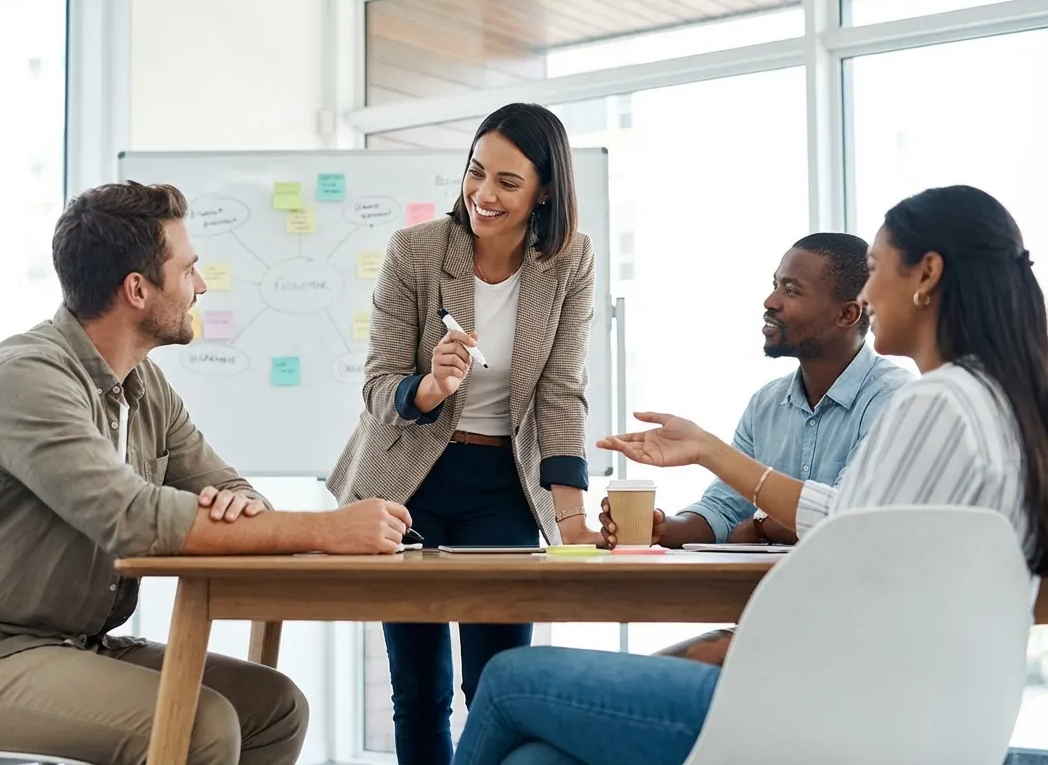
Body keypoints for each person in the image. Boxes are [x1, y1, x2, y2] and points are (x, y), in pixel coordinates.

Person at [450, 185, 1048, 765]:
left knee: (507, 678)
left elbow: (846, 554)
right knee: (535, 758)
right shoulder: (1006, 406)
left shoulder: (936, 403)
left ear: (927, 274)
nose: (868, 293)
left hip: (829, 717)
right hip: (909, 716)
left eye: (875, 269)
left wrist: (726, 644)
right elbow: (873, 562)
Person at [0, 181, 415, 765]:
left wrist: (238, 512)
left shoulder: (144, 385)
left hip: (72, 645)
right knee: (200, 727)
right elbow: (132, 519)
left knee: (274, 707)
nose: (200, 285)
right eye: (188, 270)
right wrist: (328, 529)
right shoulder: (26, 378)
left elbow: (232, 489)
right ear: (137, 290)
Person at [328, 102, 600, 764]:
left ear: (545, 192)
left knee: (497, 686)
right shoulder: (416, 252)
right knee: (419, 689)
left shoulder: (569, 261)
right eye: (476, 172)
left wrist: (573, 522)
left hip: (505, 486)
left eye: (508, 181)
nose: (484, 193)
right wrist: (430, 387)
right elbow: (378, 385)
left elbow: (561, 392)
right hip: (409, 484)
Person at [598, 233, 914, 665]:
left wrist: (759, 525)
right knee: (641, 677)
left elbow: (843, 520)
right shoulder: (767, 403)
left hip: (851, 637)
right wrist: (665, 529)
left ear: (847, 314)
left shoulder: (895, 399)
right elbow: (725, 511)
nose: (770, 301)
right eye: (775, 284)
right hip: (772, 622)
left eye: (791, 290)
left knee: (630, 682)